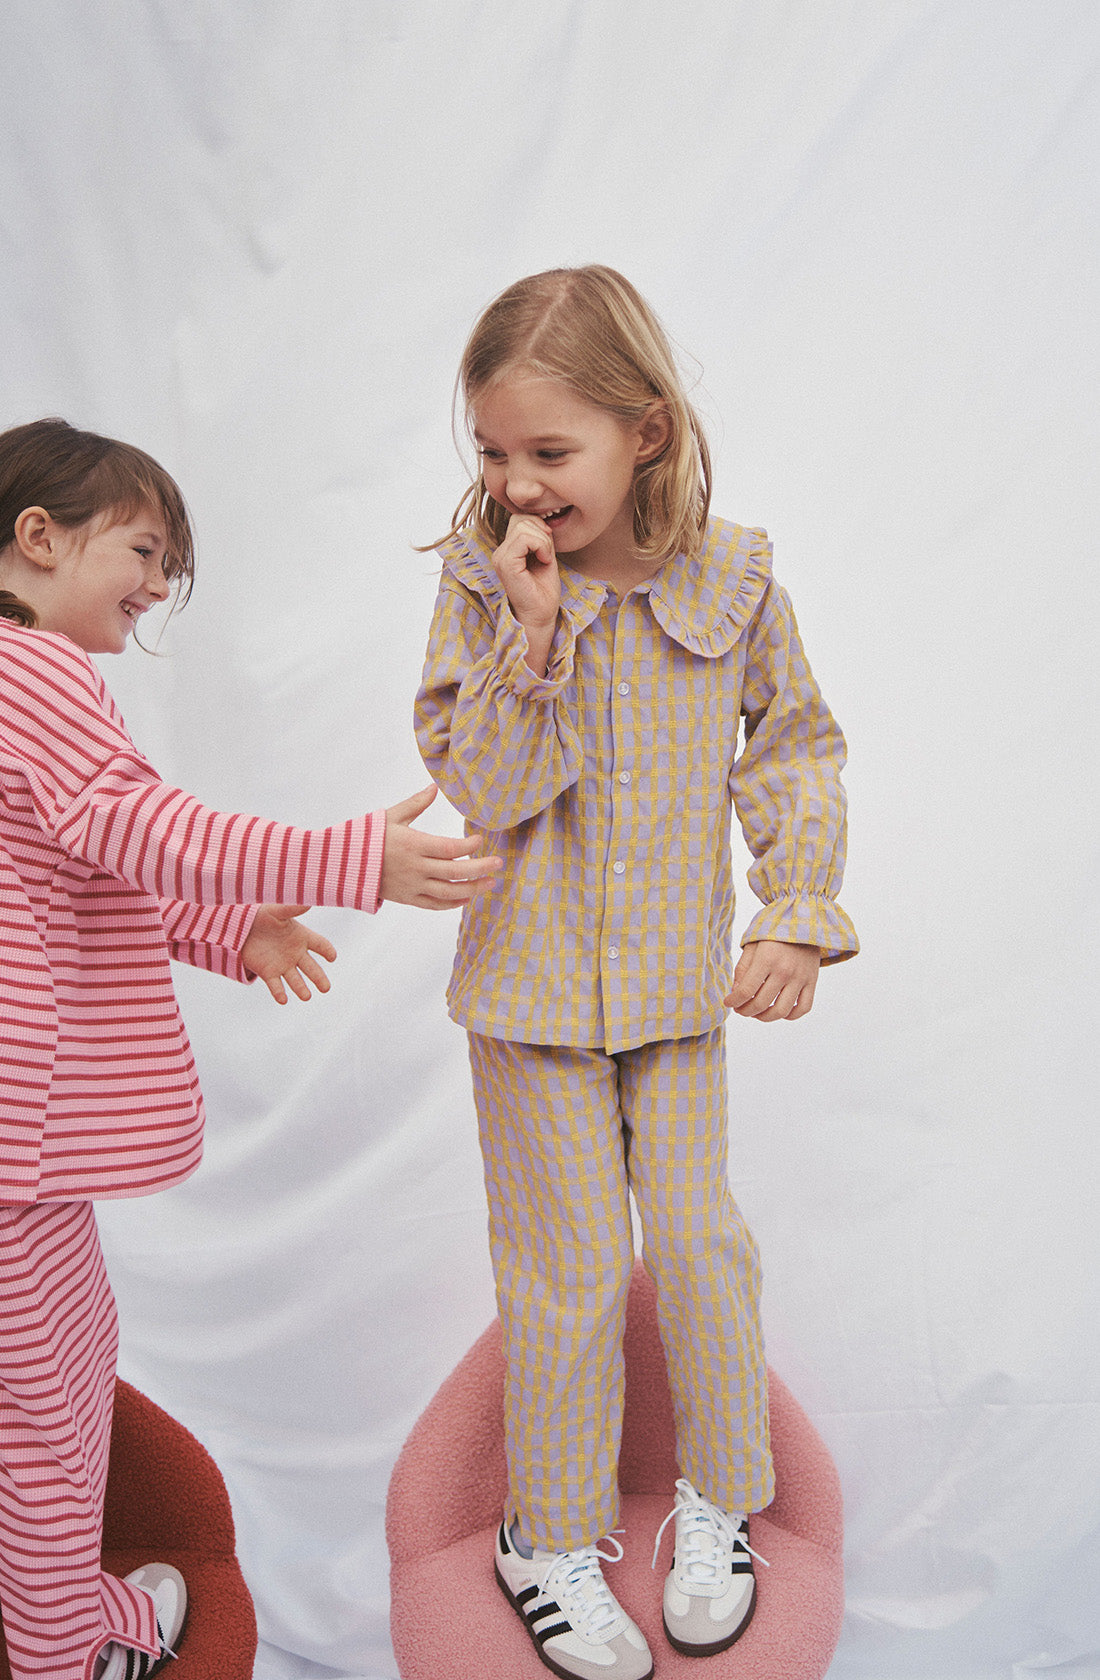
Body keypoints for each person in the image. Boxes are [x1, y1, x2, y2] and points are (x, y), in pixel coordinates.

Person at [0, 418, 500, 1680]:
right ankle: (71, 1649)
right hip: (17, 1155)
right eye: (143, 548)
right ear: (38, 536)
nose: (158, 585)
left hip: (26, 1165)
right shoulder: (35, 675)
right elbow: (141, 828)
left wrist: (235, 932)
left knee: (59, 1381)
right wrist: (350, 863)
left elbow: (91, 869)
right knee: (49, 1417)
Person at [414, 266, 858, 1680]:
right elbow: (478, 784)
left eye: (551, 453)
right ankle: (545, 1533)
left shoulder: (733, 580)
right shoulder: (482, 585)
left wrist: (795, 909)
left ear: (645, 433)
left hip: (676, 1000)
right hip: (529, 999)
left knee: (699, 1245)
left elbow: (794, 745)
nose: (520, 485)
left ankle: (724, 1499)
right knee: (568, 1271)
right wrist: (533, 636)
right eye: (493, 452)